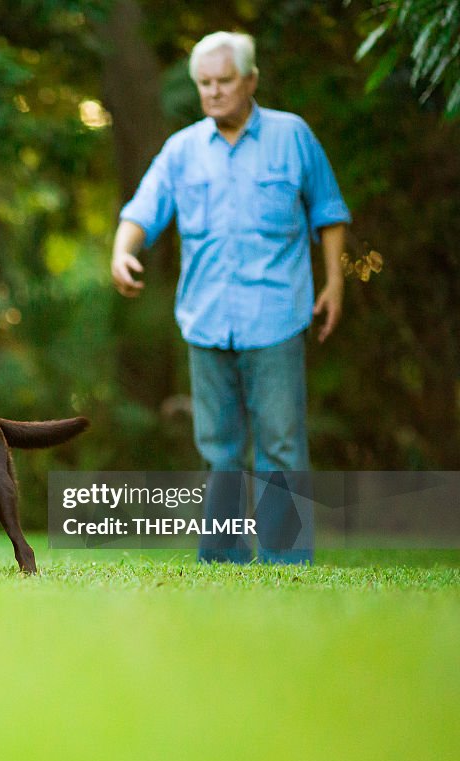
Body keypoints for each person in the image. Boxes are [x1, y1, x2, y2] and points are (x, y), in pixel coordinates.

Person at [110, 31, 350, 564]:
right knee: (218, 447)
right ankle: (223, 555)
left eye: (223, 81)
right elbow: (141, 211)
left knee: (280, 445)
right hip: (206, 318)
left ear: (251, 81)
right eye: (204, 84)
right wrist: (122, 251)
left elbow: (329, 213)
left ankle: (286, 559)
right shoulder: (183, 150)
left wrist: (334, 283)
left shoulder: (293, 137)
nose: (213, 92)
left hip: (278, 315)